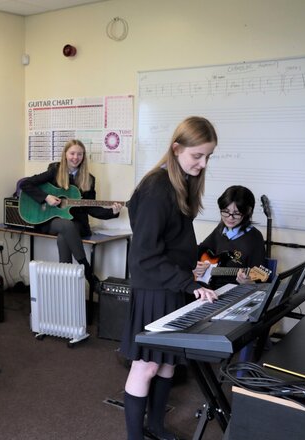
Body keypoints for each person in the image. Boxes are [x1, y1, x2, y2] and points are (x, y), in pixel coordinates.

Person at [120, 116, 219, 440]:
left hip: (173, 284)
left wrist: (194, 273)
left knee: (167, 363)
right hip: (154, 288)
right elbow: (144, 255)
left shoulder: (180, 185)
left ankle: (156, 426)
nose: (202, 164)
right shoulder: (156, 188)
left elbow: (174, 242)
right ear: (176, 149)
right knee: (146, 366)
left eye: (207, 157)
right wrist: (189, 283)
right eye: (197, 156)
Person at [19, 139, 122, 292]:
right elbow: (25, 184)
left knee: (64, 235)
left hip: (77, 224)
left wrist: (112, 212)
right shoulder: (54, 171)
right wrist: (46, 197)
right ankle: (89, 275)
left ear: (83, 156)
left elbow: (91, 207)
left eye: (79, 154)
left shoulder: (89, 179)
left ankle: (65, 287)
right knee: (66, 226)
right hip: (49, 219)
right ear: (65, 154)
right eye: (72, 153)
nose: (75, 157)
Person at [194, 186, 266, 289]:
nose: (230, 218)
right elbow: (201, 249)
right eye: (225, 211)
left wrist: (248, 282)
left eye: (236, 214)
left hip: (232, 292)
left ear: (248, 212)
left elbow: (260, 275)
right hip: (207, 288)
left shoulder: (255, 238)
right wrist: (195, 265)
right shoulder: (221, 228)